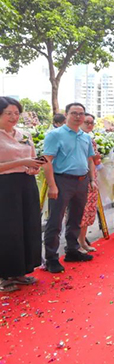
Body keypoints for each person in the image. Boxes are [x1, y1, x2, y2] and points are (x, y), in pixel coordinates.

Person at [42, 102, 97, 273]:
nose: (78, 116)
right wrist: (52, 185)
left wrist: (92, 180)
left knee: (76, 218)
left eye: (81, 113)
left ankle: (72, 250)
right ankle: (51, 258)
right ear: (66, 115)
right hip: (62, 181)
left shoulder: (85, 137)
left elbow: (90, 160)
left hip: (81, 182)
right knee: (55, 220)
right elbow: (47, 161)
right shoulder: (55, 135)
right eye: (74, 113)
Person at [0, 97, 46, 292]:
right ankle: (4, 276)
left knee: (27, 226)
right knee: (8, 230)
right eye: (8, 113)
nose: (14, 117)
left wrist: (33, 167)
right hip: (5, 186)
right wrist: (22, 162)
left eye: (17, 113)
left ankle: (21, 271)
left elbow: (32, 159)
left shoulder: (24, 134)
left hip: (26, 184)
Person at [78, 113, 101, 253]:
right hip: (76, 178)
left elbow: (95, 161)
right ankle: (76, 242)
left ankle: (82, 240)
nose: (89, 125)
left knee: (88, 212)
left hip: (91, 178)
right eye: (87, 122)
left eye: (92, 123)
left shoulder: (90, 140)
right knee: (78, 212)